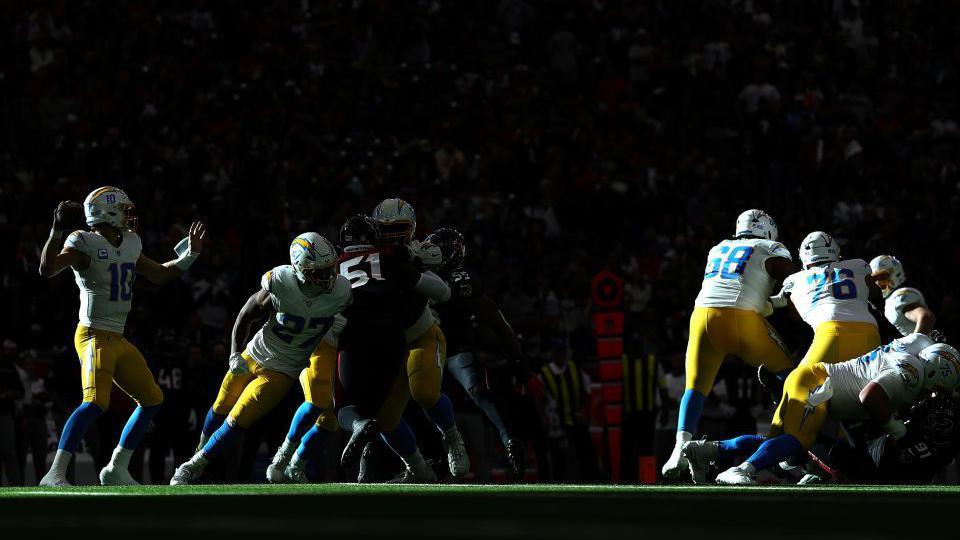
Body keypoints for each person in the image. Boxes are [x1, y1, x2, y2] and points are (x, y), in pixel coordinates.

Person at [38, 187, 205, 486]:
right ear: (108, 211)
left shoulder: (129, 242)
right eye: (124, 210)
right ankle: (55, 472)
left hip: (117, 336)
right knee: (95, 402)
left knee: (152, 399)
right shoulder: (83, 241)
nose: (130, 216)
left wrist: (190, 256)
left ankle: (116, 467)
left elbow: (159, 274)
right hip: (92, 334)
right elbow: (47, 269)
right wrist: (55, 231)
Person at [170, 233, 350, 485]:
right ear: (299, 269)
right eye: (318, 272)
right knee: (220, 407)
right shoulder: (281, 283)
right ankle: (200, 453)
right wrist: (235, 352)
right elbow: (246, 315)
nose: (328, 277)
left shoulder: (341, 292)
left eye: (329, 269)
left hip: (284, 369)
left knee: (239, 417)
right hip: (254, 353)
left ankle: (192, 466)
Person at [685, 336, 958, 485]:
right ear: (940, 374)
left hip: (819, 388)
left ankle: (707, 450)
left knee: (781, 446)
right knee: (798, 442)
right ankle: (743, 469)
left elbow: (918, 338)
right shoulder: (910, 372)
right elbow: (869, 396)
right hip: (817, 387)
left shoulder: (912, 355)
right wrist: (896, 428)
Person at [662, 209, 796, 481]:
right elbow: (794, 282)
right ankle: (787, 443)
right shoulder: (771, 247)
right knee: (791, 377)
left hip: (702, 317)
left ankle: (679, 447)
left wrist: (771, 303)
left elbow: (742, 285)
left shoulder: (718, 248)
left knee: (696, 387)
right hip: (741, 319)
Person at [427, 227, 528, 479]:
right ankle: (508, 439)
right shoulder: (422, 272)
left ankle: (509, 440)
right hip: (435, 348)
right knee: (470, 393)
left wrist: (514, 352)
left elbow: (491, 313)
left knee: (474, 391)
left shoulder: (458, 279)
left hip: (444, 350)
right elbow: (494, 316)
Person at [869, 255, 937, 336]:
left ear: (896, 273)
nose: (878, 283)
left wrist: (914, 343)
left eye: (882, 277)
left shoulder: (898, 297)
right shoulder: (888, 301)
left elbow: (926, 317)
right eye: (875, 279)